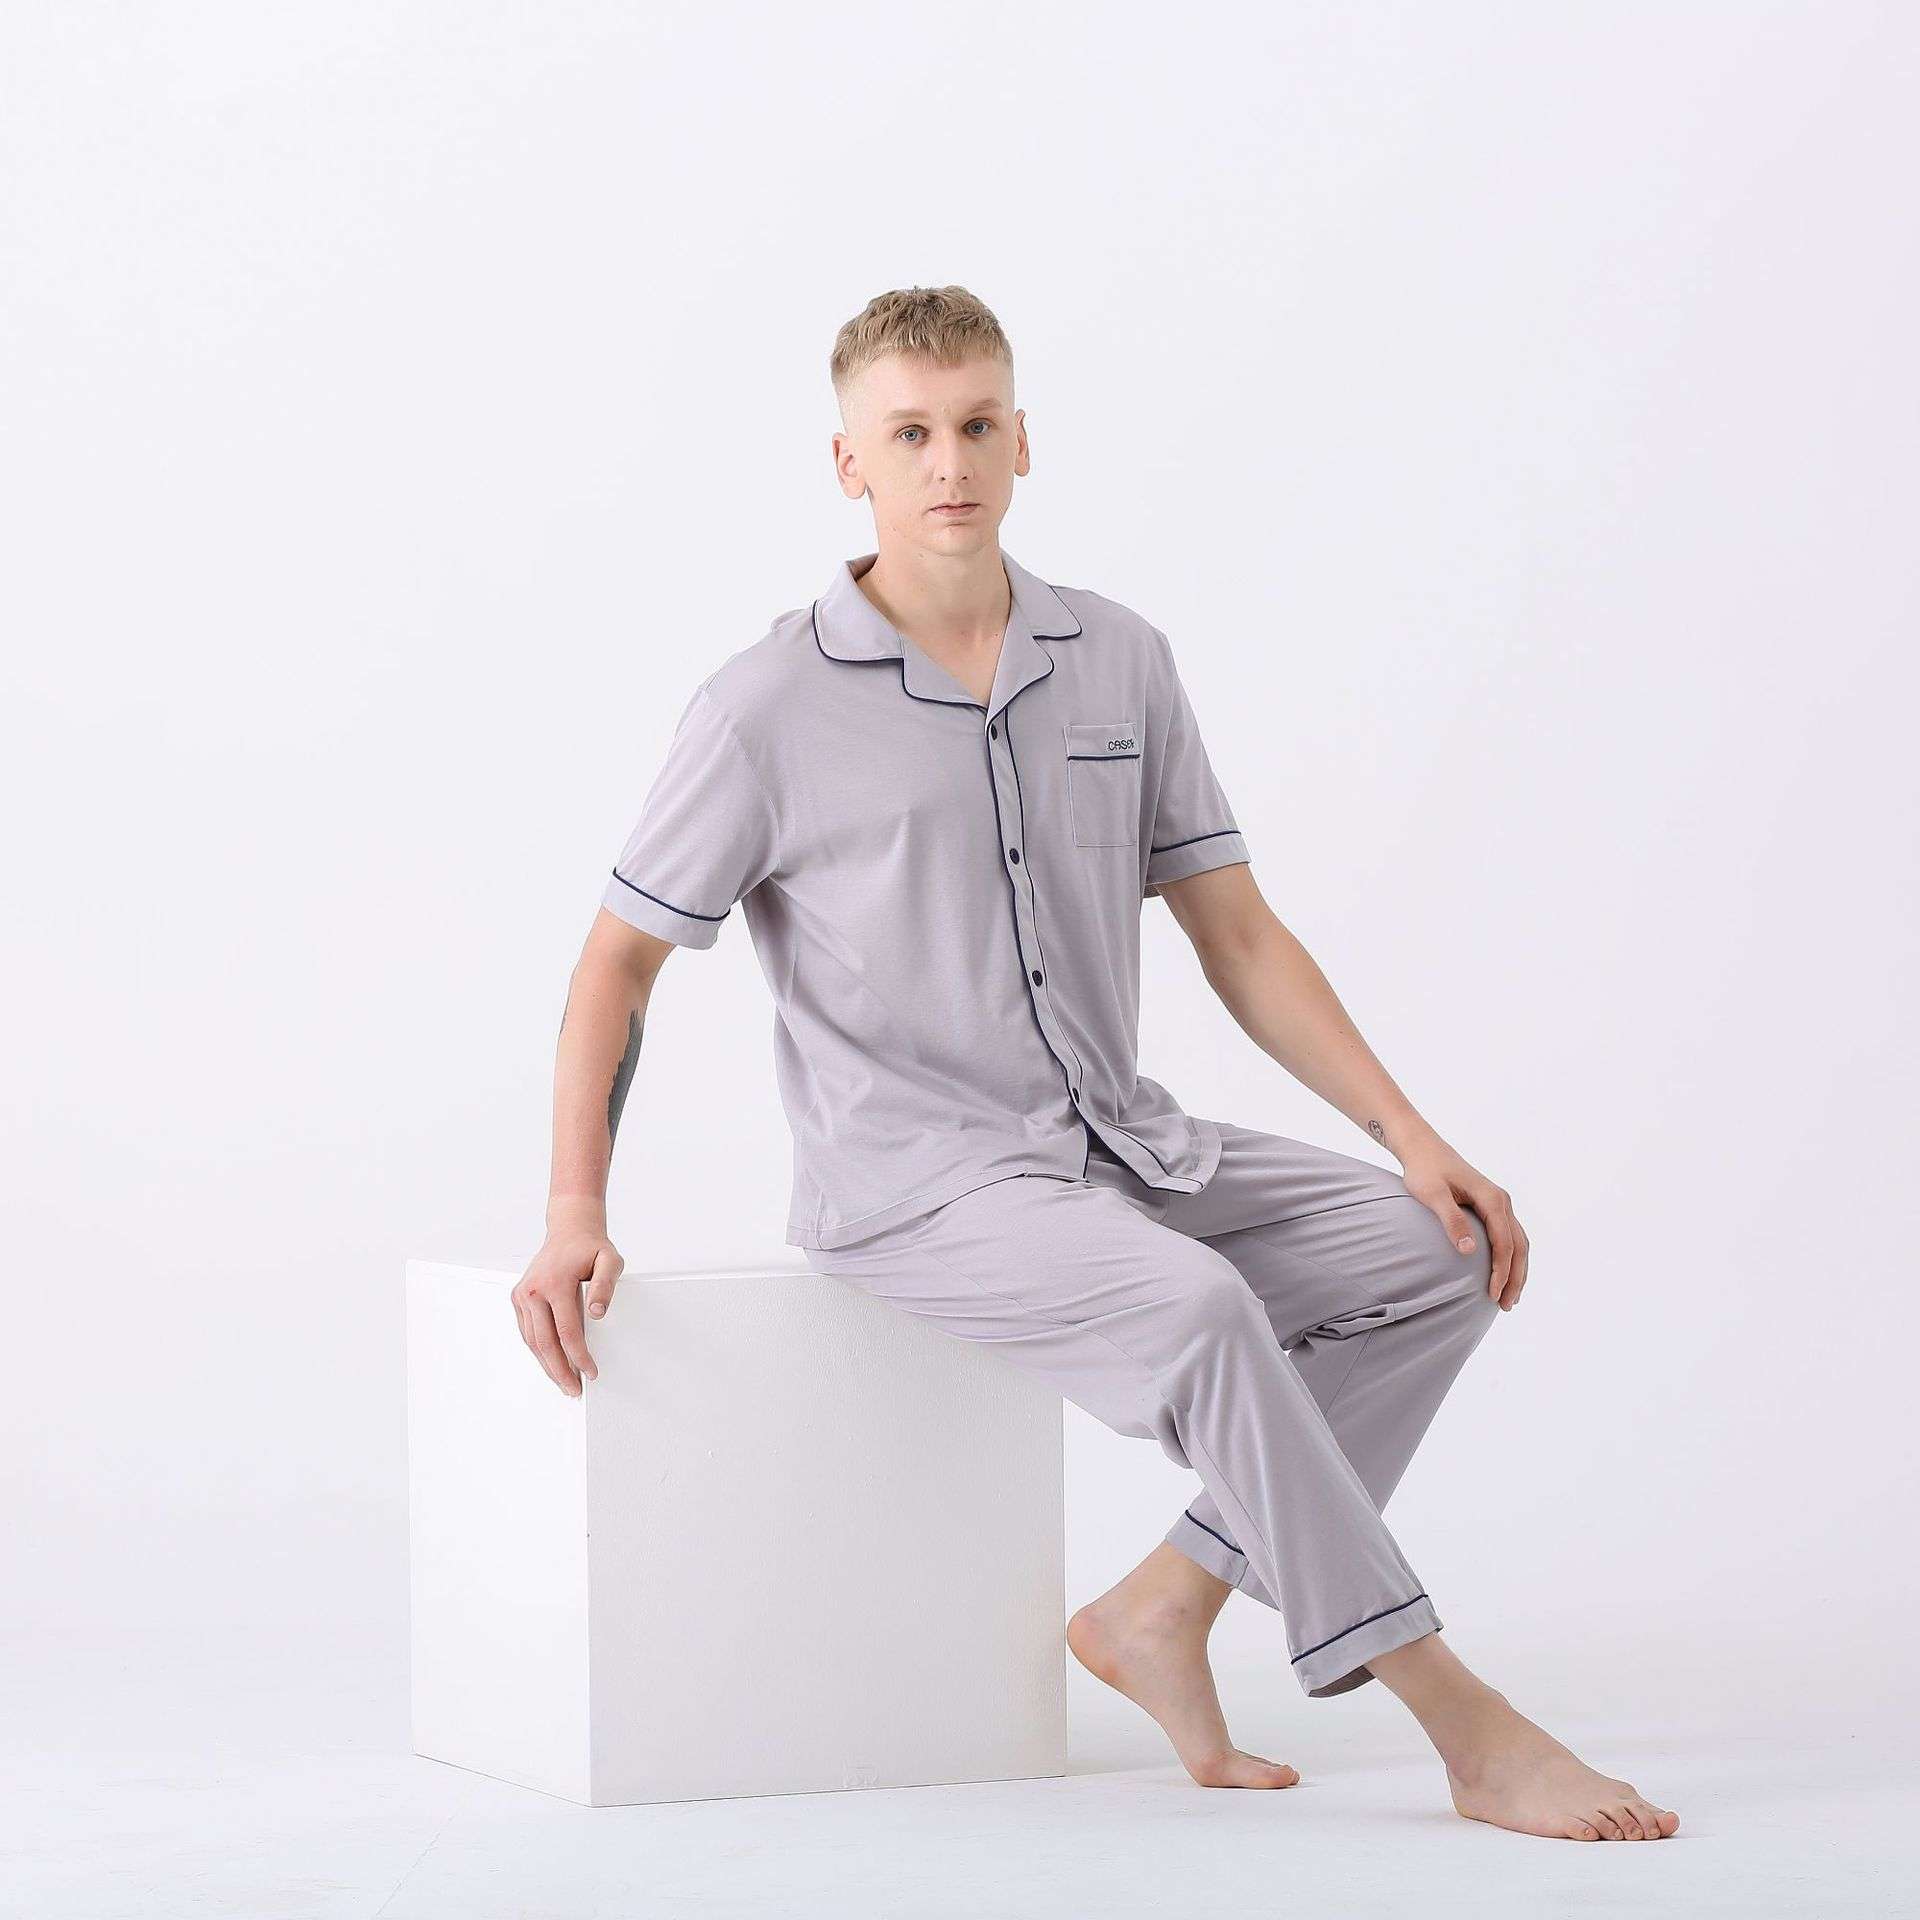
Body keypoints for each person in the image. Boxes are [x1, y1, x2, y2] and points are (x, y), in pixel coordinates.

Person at [516, 285, 1679, 1843]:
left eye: (977, 423)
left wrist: (1411, 1135)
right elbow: (617, 962)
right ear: (848, 462)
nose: (949, 461)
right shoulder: (762, 709)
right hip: (919, 1189)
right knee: (1200, 1311)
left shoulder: (1119, 660)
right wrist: (573, 1213)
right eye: (908, 434)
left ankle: (1162, 1609)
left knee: (1439, 1252)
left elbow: (1238, 933)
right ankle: (1466, 1728)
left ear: (1023, 438)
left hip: (1118, 1144)